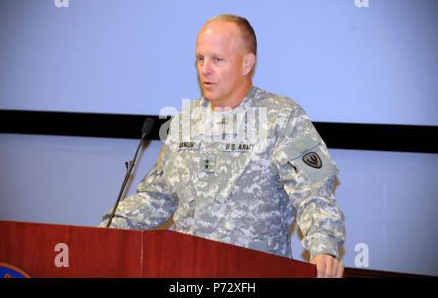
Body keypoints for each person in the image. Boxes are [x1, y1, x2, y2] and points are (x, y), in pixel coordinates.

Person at [100, 14, 345, 278]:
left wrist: (324, 248)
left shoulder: (281, 117)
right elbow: (157, 196)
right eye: (200, 58)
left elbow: (314, 193)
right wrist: (107, 232)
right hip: (189, 275)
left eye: (217, 60)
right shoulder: (185, 120)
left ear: (246, 63)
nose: (205, 69)